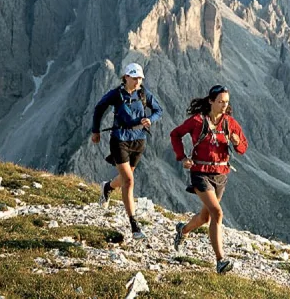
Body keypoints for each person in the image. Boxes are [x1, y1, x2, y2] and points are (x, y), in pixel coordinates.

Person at [170, 84, 248, 274]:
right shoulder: (197, 121)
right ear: (211, 101)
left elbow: (243, 147)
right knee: (217, 213)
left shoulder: (229, 123)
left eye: (227, 102)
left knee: (206, 217)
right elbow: (175, 134)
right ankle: (220, 261)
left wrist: (237, 144)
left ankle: (183, 230)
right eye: (220, 101)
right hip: (200, 172)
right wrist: (182, 157)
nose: (224, 105)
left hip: (221, 175)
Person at [91, 62, 163, 240]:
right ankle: (134, 225)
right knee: (129, 181)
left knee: (125, 178)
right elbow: (99, 108)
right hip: (120, 139)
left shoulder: (143, 93)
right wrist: (95, 130)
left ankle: (107, 187)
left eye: (140, 78)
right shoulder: (116, 94)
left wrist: (150, 119)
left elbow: (158, 110)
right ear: (126, 77)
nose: (138, 81)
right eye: (134, 78)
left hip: (139, 141)